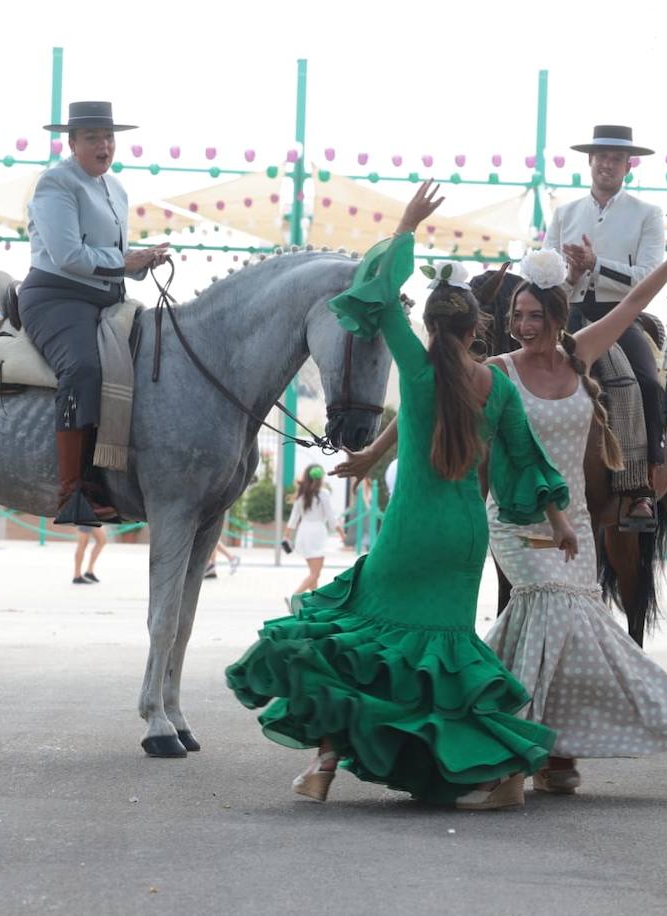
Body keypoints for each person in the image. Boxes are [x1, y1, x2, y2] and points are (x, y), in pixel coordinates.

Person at [227, 182, 575, 811]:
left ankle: (325, 765)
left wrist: (408, 225)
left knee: (357, 648)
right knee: (443, 659)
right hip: (466, 538)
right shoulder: (497, 387)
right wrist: (559, 518)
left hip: (410, 532)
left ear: (429, 325)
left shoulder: (416, 372)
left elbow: (375, 292)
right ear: (478, 330)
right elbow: (527, 457)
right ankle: (504, 773)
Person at [483, 230, 667, 794]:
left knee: (639, 382)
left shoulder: (581, 353)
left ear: (558, 318)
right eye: (518, 314)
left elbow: (632, 304)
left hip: (577, 519)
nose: (523, 325)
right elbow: (436, 394)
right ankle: (510, 746)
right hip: (516, 517)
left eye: (534, 315)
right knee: (551, 610)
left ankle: (557, 752)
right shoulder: (498, 369)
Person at [19, 101, 170, 526]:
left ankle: (112, 474)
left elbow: (113, 259)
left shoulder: (117, 189)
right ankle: (71, 492)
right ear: (71, 142)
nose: (104, 145)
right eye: (92, 138)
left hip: (107, 297)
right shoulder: (55, 183)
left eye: (109, 137)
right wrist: (127, 261)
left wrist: (140, 263)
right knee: (83, 369)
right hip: (56, 297)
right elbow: (68, 255)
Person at [547, 125, 665, 529]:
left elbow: (650, 276)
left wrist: (596, 264)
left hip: (621, 315)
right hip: (570, 312)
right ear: (590, 162)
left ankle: (640, 488)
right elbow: (548, 276)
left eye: (616, 159)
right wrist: (574, 272)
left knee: (647, 383)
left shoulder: (648, 214)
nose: (608, 165)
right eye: (602, 158)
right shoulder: (564, 214)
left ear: (628, 166)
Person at [284, 464, 338, 595]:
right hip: (317, 535)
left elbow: (293, 519)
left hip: (303, 534)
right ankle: (295, 596)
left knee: (313, 575)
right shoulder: (323, 494)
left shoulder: (301, 495)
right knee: (315, 574)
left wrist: (286, 536)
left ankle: (313, 604)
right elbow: (331, 518)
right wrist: (341, 533)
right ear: (321, 477)